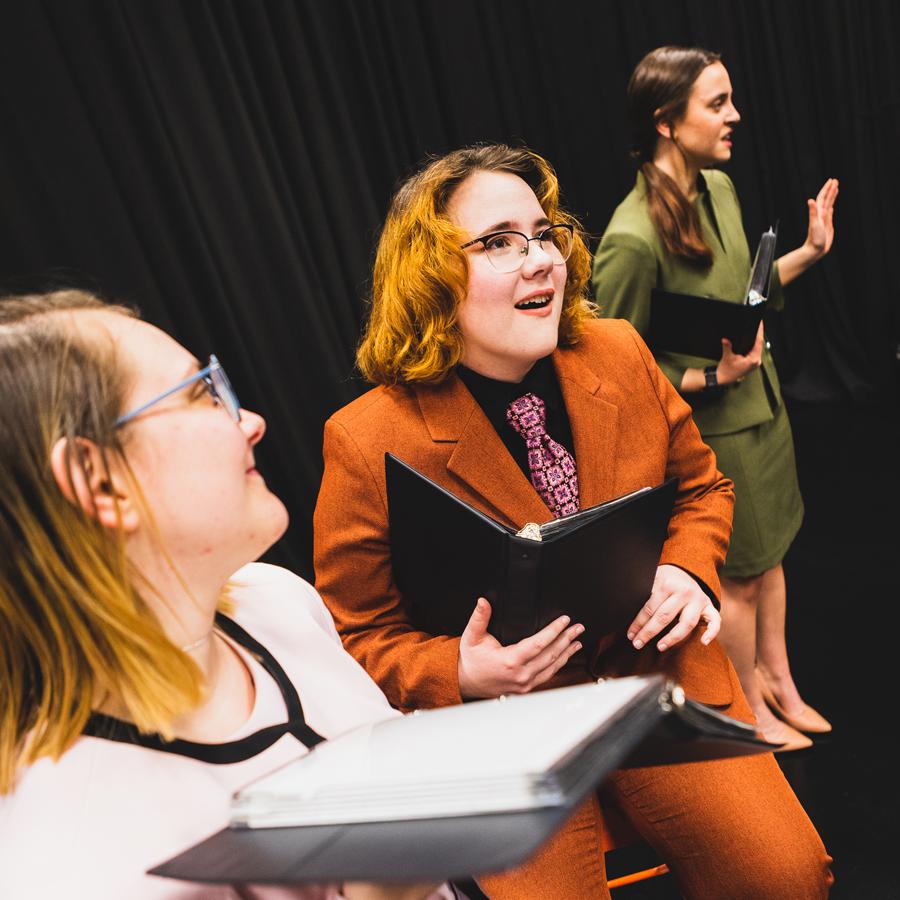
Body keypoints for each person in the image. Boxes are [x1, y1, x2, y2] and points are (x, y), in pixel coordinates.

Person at [313, 144, 832, 898]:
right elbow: (356, 635)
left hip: (657, 684)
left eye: (544, 233)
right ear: (429, 276)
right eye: (498, 242)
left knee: (786, 877)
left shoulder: (618, 351)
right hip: (501, 738)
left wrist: (686, 570)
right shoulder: (366, 440)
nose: (541, 260)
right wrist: (459, 671)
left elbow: (702, 489)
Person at [0, 291, 453, 900]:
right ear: (98, 480)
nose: (250, 421)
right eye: (200, 393)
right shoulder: (64, 857)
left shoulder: (278, 603)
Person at [592, 46, 838, 751]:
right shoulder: (632, 240)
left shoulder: (719, 191)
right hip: (716, 434)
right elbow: (613, 372)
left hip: (765, 413)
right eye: (717, 103)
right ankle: (747, 713)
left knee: (773, 559)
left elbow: (746, 301)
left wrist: (811, 253)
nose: (735, 116)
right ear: (667, 122)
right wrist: (707, 381)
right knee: (739, 583)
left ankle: (779, 685)